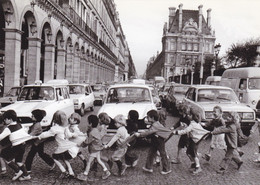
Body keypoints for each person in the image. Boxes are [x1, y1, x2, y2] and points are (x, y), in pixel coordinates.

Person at [37, 110, 79, 178]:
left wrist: (39, 136)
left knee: (54, 157)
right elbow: (70, 135)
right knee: (64, 159)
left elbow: (46, 134)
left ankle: (64, 171)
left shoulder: (55, 129)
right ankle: (71, 172)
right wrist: (74, 134)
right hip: (70, 148)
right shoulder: (66, 127)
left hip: (62, 147)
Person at [173, 108, 210, 175]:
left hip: (195, 140)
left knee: (193, 154)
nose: (187, 116)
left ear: (192, 116)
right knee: (188, 152)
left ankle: (198, 167)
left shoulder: (192, 124)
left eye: (189, 115)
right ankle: (193, 163)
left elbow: (185, 131)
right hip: (193, 140)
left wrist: (176, 132)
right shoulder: (194, 123)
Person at [135, 110, 172, 175]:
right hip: (156, 141)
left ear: (152, 118)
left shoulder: (155, 125)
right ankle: (148, 167)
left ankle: (166, 169)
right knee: (152, 153)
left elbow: (148, 132)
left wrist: (140, 135)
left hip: (159, 141)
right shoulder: (156, 124)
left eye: (148, 117)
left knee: (162, 154)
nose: (147, 118)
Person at [0, 110, 32, 181]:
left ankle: (18, 171)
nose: (4, 121)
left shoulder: (8, 129)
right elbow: (25, 132)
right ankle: (26, 175)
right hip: (23, 145)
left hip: (16, 146)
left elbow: (1, 137)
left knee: (5, 157)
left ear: (10, 119)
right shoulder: (20, 125)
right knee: (18, 161)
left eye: (5, 119)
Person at [77, 115, 111, 181]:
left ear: (91, 123)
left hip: (94, 149)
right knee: (99, 161)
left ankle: (85, 175)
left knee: (89, 162)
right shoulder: (96, 130)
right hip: (98, 148)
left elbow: (87, 142)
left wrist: (80, 145)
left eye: (88, 122)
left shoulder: (92, 132)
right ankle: (106, 171)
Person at [25, 109, 55, 174]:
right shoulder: (36, 123)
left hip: (37, 142)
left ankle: (27, 169)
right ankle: (52, 162)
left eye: (32, 116)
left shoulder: (36, 126)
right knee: (41, 154)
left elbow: (30, 135)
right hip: (39, 141)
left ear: (36, 118)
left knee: (31, 155)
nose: (31, 117)